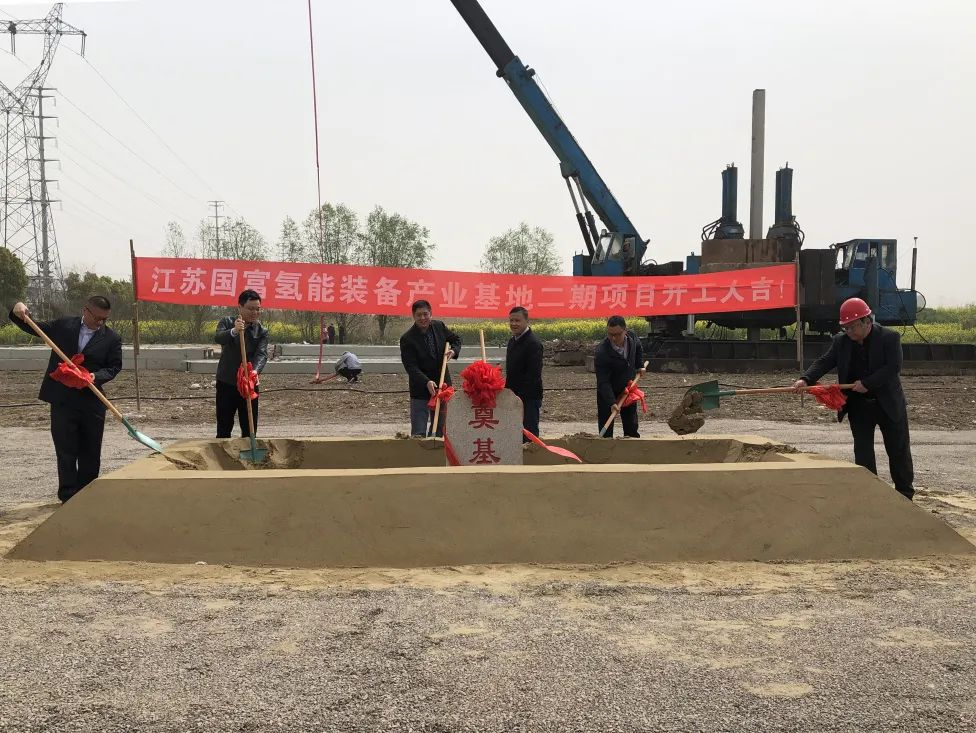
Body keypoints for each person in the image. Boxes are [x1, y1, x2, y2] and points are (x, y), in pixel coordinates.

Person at [792, 297, 914, 500]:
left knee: (898, 451)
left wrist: (868, 383)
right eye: (845, 328)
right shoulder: (841, 342)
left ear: (867, 321)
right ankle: (869, 494)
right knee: (863, 453)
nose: (848, 332)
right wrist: (805, 379)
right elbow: (824, 361)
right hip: (859, 407)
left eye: (852, 327)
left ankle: (905, 495)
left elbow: (893, 368)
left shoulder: (889, 338)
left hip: (888, 404)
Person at [8, 296, 123, 503]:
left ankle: (87, 496)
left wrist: (94, 376)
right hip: (63, 400)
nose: (100, 322)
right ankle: (68, 496)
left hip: (91, 402)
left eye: (104, 319)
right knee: (66, 451)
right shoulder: (63, 326)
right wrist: (18, 309)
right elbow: (32, 326)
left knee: (90, 451)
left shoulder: (111, 338)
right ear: (85, 311)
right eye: (97, 317)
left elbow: (114, 367)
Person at [399, 299, 461, 437]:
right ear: (413, 316)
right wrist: (426, 381)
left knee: (440, 428)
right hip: (421, 388)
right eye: (419, 315)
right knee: (419, 432)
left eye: (425, 314)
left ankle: (437, 445)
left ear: (430, 313)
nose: (423, 318)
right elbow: (411, 367)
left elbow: (456, 339)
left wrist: (454, 351)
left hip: (442, 386)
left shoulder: (439, 326)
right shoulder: (407, 339)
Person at [214, 289, 269, 439]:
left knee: (249, 426)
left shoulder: (262, 331)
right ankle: (223, 451)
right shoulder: (227, 322)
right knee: (224, 426)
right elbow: (218, 338)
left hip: (248, 384)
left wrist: (254, 372)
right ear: (240, 307)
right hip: (227, 382)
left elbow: (262, 354)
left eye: (258, 309)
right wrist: (234, 331)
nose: (255, 313)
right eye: (251, 309)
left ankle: (249, 448)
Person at [594, 315, 645, 438]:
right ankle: (605, 446)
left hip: (628, 388)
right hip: (608, 391)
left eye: (617, 334)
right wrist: (612, 402)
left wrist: (639, 365)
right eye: (610, 334)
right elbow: (603, 381)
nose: (613, 338)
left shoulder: (632, 337)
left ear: (625, 331)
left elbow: (638, 347)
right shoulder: (602, 352)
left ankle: (631, 444)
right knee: (606, 427)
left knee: (631, 424)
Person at [505, 306, 544, 440]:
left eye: (517, 320)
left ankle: (532, 454)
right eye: (511, 320)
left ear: (527, 321)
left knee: (529, 433)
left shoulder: (533, 344)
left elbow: (533, 376)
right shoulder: (512, 341)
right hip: (514, 397)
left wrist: (519, 398)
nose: (513, 324)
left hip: (529, 398)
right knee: (514, 433)